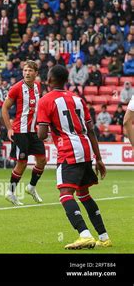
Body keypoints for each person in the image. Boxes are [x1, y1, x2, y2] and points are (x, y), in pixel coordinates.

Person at [37, 65, 111, 249]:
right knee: (84, 194)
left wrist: (41, 129)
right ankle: (104, 237)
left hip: (68, 151)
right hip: (85, 148)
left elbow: (41, 134)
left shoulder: (46, 101)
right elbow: (91, 129)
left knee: (65, 194)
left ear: (50, 80)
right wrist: (99, 158)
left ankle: (84, 235)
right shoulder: (78, 99)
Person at [1, 61, 46, 205]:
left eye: (30, 71)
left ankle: (31, 187)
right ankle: (10, 192)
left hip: (34, 131)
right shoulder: (16, 88)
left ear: (36, 73)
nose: (27, 73)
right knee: (22, 163)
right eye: (25, 70)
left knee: (42, 160)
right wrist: (9, 128)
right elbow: (4, 108)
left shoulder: (38, 87)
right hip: (20, 131)